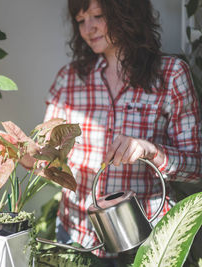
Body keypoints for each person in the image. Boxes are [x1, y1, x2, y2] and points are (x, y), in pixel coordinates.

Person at [44, 0, 202, 264]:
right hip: (79, 236)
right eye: (81, 20)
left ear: (127, 14)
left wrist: (151, 151)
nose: (88, 29)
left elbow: (197, 166)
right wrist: (31, 156)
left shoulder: (171, 75)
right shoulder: (69, 79)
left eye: (97, 16)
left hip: (149, 239)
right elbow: (48, 154)